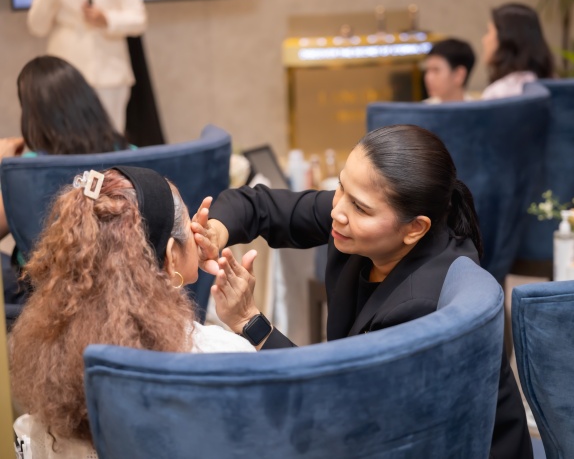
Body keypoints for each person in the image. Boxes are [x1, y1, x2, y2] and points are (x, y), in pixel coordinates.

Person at [192, 125, 533, 458]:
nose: (336, 211)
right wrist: (215, 232)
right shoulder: (364, 223)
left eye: (360, 207)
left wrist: (250, 321)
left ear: (415, 228)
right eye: (340, 187)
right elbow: (257, 205)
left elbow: (338, 405)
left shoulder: (420, 306)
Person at [10, 167, 257, 458]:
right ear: (171, 256)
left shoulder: (52, 380)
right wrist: (247, 320)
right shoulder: (225, 357)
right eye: (189, 223)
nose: (197, 230)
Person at [0, 56, 134, 308]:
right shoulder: (134, 156)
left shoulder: (27, 170)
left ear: (31, 116)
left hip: (44, 300)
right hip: (123, 287)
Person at [27, 0, 147, 131]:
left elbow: (140, 20)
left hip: (108, 70)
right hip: (63, 71)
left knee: (110, 132)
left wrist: (107, 19)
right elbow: (37, 27)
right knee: (62, 132)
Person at [481, 3, 554, 100]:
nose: (484, 40)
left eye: (489, 32)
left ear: (506, 39)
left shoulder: (497, 94)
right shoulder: (552, 88)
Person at [423, 38, 476, 103]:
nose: (428, 77)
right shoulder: (422, 108)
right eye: (427, 71)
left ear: (459, 75)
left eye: (436, 70)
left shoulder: (479, 108)